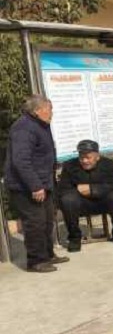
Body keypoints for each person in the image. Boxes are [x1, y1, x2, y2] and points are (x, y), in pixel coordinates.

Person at [3, 95, 69, 273]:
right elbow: (21, 161)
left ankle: (47, 255)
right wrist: (35, 186)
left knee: (47, 221)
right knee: (35, 223)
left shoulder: (40, 125)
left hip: (43, 183)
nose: (52, 113)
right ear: (37, 110)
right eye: (49, 109)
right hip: (26, 187)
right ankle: (36, 261)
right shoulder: (24, 127)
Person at [57, 139, 113, 252]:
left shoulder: (110, 165)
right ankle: (74, 238)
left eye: (88, 158)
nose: (84, 161)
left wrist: (92, 189)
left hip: (103, 202)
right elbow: (63, 189)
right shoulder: (69, 166)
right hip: (81, 204)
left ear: (97, 157)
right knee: (67, 200)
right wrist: (79, 190)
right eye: (81, 158)